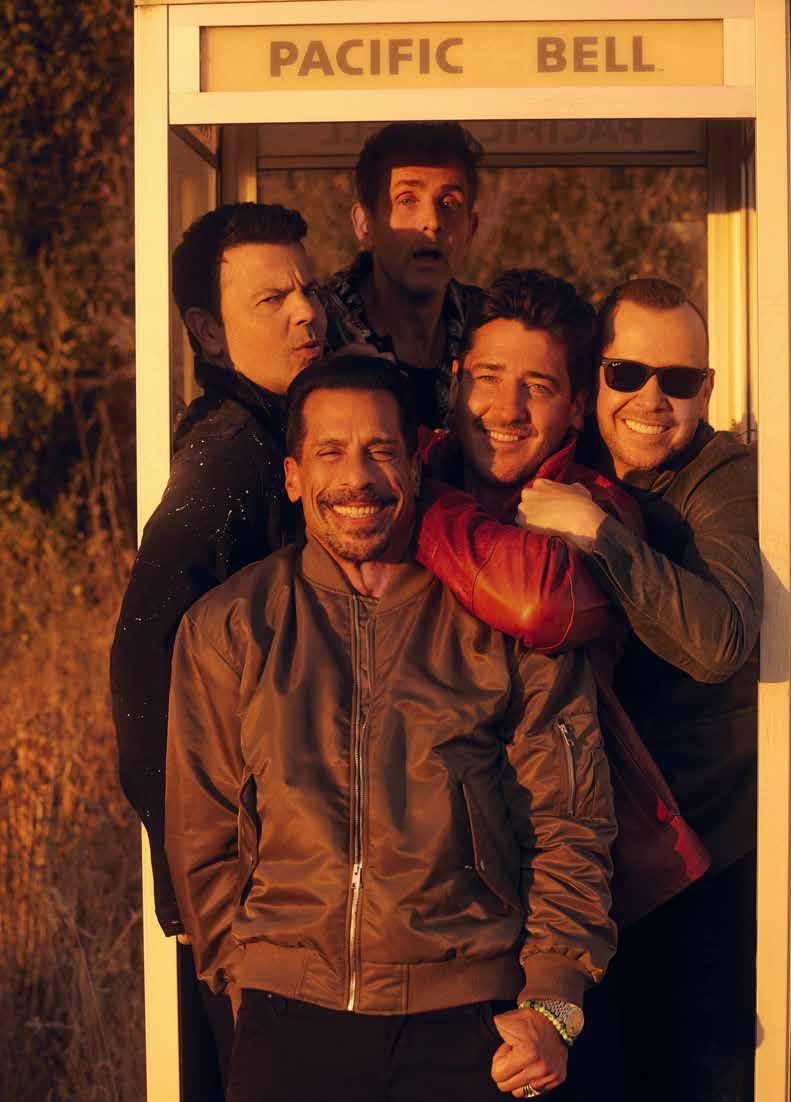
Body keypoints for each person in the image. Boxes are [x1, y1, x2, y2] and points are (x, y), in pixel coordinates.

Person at [165, 356, 618, 1102]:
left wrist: (552, 1002)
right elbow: (202, 834)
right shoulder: (230, 628)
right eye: (330, 452)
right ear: (293, 477)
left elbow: (570, 818)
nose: (357, 478)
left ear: (414, 463)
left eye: (379, 450)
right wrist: (246, 984)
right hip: (287, 1021)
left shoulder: (502, 622)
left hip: (473, 1023)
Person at [413, 269, 710, 1099]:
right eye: (487, 377)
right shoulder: (418, 461)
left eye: (537, 387)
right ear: (456, 381)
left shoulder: (596, 506)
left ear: (575, 408)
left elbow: (536, 601)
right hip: (427, 892)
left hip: (561, 890)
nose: (505, 408)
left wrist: (413, 505)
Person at [515, 277, 762, 1101]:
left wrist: (597, 533)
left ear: (707, 390)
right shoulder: (563, 459)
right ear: (593, 376)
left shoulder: (721, 477)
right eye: (626, 374)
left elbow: (718, 644)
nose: (651, 400)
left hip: (698, 853)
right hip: (578, 854)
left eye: (678, 380)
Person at [110, 201, 327, 1095]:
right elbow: (141, 668)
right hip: (253, 894)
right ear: (206, 331)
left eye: (308, 289)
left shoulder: (281, 430)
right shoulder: (230, 458)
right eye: (271, 299)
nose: (305, 313)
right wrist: (204, 893)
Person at [324, 121, 482, 425]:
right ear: (364, 224)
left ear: (470, 229)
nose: (432, 222)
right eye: (407, 200)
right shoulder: (318, 330)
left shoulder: (487, 327)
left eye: (449, 203)